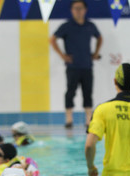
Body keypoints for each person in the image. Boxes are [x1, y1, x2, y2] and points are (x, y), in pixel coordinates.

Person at [50, 0, 102, 128]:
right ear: (71, 10)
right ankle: (69, 119)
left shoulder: (90, 25)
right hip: (72, 67)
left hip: (87, 65)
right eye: (75, 8)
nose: (78, 11)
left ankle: (88, 120)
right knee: (70, 92)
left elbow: (99, 37)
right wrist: (62, 56)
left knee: (87, 93)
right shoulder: (67, 26)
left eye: (80, 8)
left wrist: (95, 53)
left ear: (85, 10)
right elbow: (52, 39)